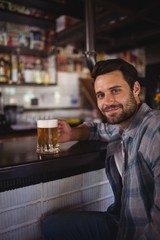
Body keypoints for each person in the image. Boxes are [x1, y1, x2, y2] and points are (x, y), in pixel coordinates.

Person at [42, 59, 160, 240]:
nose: (108, 102)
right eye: (100, 95)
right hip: (122, 224)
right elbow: (97, 129)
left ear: (136, 89)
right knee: (51, 226)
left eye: (115, 91)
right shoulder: (123, 127)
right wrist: (71, 133)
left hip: (141, 232)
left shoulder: (155, 128)